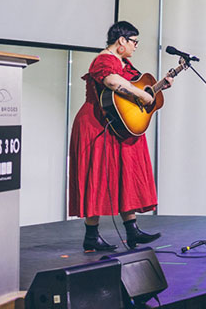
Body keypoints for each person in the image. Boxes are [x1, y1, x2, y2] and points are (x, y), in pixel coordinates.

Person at [68, 21, 167, 252]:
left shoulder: (123, 62)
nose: (135, 46)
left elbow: (139, 91)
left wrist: (158, 88)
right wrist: (142, 96)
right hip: (96, 124)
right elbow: (112, 81)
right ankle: (91, 236)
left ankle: (132, 231)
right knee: (97, 175)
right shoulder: (105, 59)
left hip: (116, 124)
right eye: (134, 42)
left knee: (125, 173)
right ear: (121, 40)